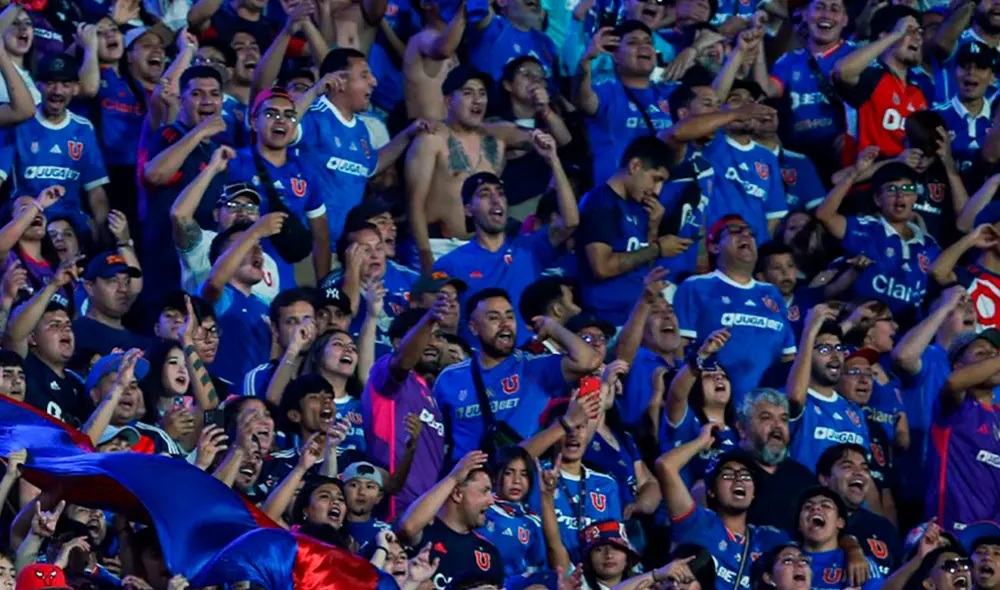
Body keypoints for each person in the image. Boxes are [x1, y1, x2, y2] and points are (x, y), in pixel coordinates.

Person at [434, 133, 576, 347]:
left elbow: (570, 221)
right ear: (468, 209)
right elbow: (427, 307)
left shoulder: (529, 247)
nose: (495, 199)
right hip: (482, 367)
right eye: (484, 194)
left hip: (529, 362)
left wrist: (553, 160)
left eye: (500, 193)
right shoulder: (451, 263)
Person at [434, 287, 601, 461]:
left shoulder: (534, 367)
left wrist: (553, 328)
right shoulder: (449, 378)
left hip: (522, 482)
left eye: (510, 316)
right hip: (468, 484)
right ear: (473, 327)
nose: (505, 324)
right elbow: (435, 441)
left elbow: (589, 361)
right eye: (493, 318)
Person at [673, 215, 797, 404]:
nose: (746, 236)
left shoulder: (771, 293)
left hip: (766, 410)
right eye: (734, 231)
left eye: (750, 233)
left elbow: (788, 357)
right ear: (714, 246)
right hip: (716, 403)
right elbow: (679, 352)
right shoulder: (696, 287)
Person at [577, 136, 691, 326]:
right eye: (655, 179)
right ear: (635, 166)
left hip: (635, 318)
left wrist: (653, 228)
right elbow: (602, 267)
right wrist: (658, 248)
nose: (657, 191)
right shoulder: (601, 203)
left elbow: (643, 265)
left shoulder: (639, 206)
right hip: (607, 322)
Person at [657, 440, 791, 590]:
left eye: (746, 476)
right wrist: (702, 440)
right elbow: (665, 466)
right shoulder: (697, 523)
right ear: (711, 490)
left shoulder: (770, 539)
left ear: (754, 493)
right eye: (728, 475)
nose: (738, 479)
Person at [816, 159, 941, 317]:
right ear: (877, 199)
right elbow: (824, 215)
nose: (899, 195)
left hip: (908, 333)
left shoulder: (930, 245)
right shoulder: (865, 229)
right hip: (864, 326)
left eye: (907, 189)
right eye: (891, 189)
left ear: (915, 197)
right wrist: (854, 173)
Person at [364, 299, 450, 521]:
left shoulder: (430, 393)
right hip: (394, 508)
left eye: (438, 336)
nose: (434, 342)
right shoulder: (387, 372)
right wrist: (429, 317)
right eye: (427, 333)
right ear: (398, 343)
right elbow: (403, 361)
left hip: (426, 512)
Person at [10, 53, 110, 237]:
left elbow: (95, 190)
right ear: (37, 85)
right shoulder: (21, 124)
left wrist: (102, 235)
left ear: (76, 88)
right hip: (28, 223)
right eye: (50, 83)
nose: (57, 91)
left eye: (65, 84)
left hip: (71, 225)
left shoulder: (83, 128)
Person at [574, 21, 676, 184]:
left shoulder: (669, 93)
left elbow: (711, 100)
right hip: (616, 199)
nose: (644, 47)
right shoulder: (606, 92)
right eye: (633, 42)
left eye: (648, 42)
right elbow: (583, 100)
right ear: (615, 56)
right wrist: (586, 60)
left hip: (662, 197)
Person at [831, 5, 931, 161]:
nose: (918, 37)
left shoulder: (920, 90)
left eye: (919, 32)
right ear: (885, 37)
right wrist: (896, 34)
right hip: (869, 181)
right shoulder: (871, 78)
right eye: (909, 31)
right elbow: (842, 71)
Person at [396, 450, 506, 590]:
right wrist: (453, 478)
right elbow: (407, 527)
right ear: (457, 494)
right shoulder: (426, 530)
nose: (491, 501)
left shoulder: (490, 553)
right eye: (484, 491)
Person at [200, 214, 286, 387]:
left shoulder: (266, 307)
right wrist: (255, 232)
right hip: (219, 399)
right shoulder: (220, 297)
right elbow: (215, 282)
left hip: (255, 402)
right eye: (245, 244)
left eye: (259, 246)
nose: (257, 251)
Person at [927, 329, 1000, 530]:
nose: (992, 359)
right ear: (959, 367)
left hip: (990, 541)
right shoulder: (956, 407)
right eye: (981, 354)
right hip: (949, 532)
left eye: (994, 354)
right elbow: (954, 383)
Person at [785, 305, 869, 471]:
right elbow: (794, 399)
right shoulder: (792, 398)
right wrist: (809, 331)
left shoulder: (854, 411)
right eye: (824, 349)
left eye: (839, 348)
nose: (835, 355)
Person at [816, 443, 900, 576]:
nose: (859, 472)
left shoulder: (884, 528)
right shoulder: (814, 522)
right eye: (847, 466)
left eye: (865, 468)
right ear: (825, 479)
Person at [794, 487, 881, 590]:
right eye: (808, 507)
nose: (815, 508)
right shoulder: (784, 560)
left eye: (826, 505)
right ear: (799, 525)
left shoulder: (862, 563)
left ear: (840, 522)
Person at [73, 252, 150, 355]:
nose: (123, 289)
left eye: (127, 281)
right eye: (113, 280)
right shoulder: (74, 335)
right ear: (89, 287)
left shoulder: (143, 343)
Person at [402, 0, 464, 120]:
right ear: (425, 3)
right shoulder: (421, 38)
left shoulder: (452, 46)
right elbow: (445, 49)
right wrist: (463, 13)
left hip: (448, 133)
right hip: (425, 133)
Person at [342, 461, 393, 556]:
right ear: (342, 490)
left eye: (369, 486)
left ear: (379, 497)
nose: (362, 492)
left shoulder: (386, 532)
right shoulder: (332, 528)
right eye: (354, 485)